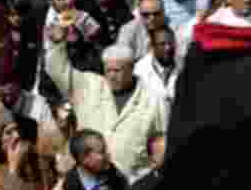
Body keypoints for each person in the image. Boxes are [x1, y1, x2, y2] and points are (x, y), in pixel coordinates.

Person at [45, 19, 167, 180]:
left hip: (132, 184)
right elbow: (58, 71)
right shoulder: (89, 85)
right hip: (88, 182)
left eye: (117, 70)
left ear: (131, 69)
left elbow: (162, 144)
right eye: (108, 70)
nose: (111, 75)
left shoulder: (153, 100)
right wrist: (57, 45)